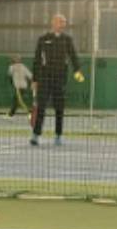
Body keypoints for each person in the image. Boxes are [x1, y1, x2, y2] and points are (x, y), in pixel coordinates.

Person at [30, 14, 82, 146]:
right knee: (41, 106)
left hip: (60, 78)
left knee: (59, 107)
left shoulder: (67, 39)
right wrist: (35, 79)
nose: (63, 24)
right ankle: (36, 135)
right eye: (60, 21)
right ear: (53, 22)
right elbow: (36, 60)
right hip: (45, 78)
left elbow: (73, 56)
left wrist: (77, 70)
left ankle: (58, 135)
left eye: (64, 22)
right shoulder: (43, 39)